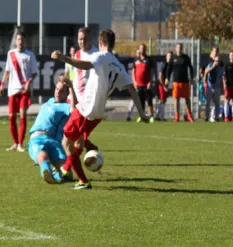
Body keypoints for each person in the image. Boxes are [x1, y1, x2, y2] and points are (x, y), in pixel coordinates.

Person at [51, 29, 149, 190]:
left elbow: (86, 64)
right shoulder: (117, 64)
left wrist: (64, 58)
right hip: (98, 114)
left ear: (100, 42)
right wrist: (141, 113)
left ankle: (80, 179)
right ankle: (67, 168)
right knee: (78, 142)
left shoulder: (99, 57)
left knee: (65, 142)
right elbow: (132, 89)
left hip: (86, 109)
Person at [28, 77, 76, 184]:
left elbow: (74, 109)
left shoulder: (65, 106)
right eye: (56, 89)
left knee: (66, 172)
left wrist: (71, 87)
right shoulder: (50, 101)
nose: (58, 92)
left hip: (53, 142)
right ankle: (47, 171)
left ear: (67, 94)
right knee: (43, 156)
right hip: (37, 138)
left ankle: (56, 175)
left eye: (62, 91)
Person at [0, 31, 38, 152]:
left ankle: (20, 143)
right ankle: (15, 143)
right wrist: (2, 85)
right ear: (16, 41)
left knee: (22, 115)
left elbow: (34, 73)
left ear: (25, 41)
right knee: (11, 117)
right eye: (18, 39)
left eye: (22, 39)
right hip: (12, 91)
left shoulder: (30, 55)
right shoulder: (11, 54)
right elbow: (7, 71)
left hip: (24, 91)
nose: (20, 42)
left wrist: (28, 82)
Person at [169, 43, 195, 122]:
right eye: (178, 47)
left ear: (182, 49)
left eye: (180, 47)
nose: (179, 49)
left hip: (185, 81)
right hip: (176, 82)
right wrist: (167, 78)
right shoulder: (173, 58)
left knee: (187, 99)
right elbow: (169, 69)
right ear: (175, 48)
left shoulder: (186, 57)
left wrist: (191, 78)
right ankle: (177, 116)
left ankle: (189, 115)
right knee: (176, 99)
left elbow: (190, 67)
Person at [132, 44, 155, 119]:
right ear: (139, 49)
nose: (142, 50)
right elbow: (133, 71)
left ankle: (151, 116)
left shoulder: (149, 60)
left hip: (146, 84)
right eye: (141, 48)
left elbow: (151, 71)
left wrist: (150, 82)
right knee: (140, 101)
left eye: (144, 48)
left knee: (149, 100)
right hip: (138, 84)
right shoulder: (136, 60)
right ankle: (142, 116)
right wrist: (134, 81)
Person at [204, 54, 224, 122]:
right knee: (208, 103)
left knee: (217, 103)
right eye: (215, 61)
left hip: (217, 87)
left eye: (218, 61)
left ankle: (217, 117)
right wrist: (212, 68)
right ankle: (206, 117)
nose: (216, 62)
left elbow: (222, 77)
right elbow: (206, 72)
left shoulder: (221, 68)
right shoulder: (210, 65)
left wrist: (222, 87)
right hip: (210, 87)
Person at [156, 51, 173, 121]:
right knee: (162, 100)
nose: (170, 57)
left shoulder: (171, 65)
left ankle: (159, 115)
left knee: (164, 100)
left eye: (171, 56)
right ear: (166, 56)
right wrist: (163, 85)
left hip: (165, 84)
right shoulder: (164, 64)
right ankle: (160, 116)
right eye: (169, 56)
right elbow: (160, 75)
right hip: (161, 84)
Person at [223, 51, 233, 122]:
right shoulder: (226, 65)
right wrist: (224, 84)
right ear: (229, 56)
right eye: (231, 55)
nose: (232, 56)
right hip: (228, 85)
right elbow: (224, 76)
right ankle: (226, 117)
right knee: (227, 100)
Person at [126, 49, 141, 121]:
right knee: (134, 100)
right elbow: (132, 73)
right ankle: (128, 115)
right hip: (136, 84)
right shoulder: (135, 61)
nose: (139, 54)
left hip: (142, 84)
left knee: (142, 100)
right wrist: (134, 82)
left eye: (139, 52)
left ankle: (142, 115)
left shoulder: (143, 60)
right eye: (137, 52)